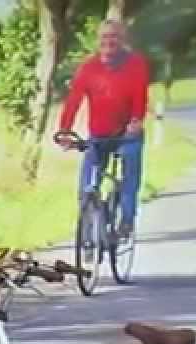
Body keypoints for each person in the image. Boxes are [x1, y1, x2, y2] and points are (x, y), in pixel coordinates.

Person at [57, 18, 150, 242]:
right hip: (99, 135)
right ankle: (88, 237)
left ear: (123, 39)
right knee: (87, 184)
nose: (109, 42)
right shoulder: (89, 68)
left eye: (114, 36)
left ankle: (126, 220)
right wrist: (65, 130)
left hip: (127, 135)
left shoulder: (136, 63)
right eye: (105, 37)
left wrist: (136, 120)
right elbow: (74, 100)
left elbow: (140, 94)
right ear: (98, 40)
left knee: (129, 174)